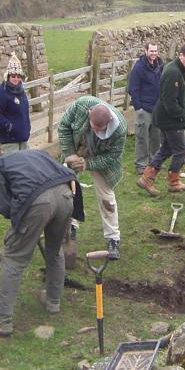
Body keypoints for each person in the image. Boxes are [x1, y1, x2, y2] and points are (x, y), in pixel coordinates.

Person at [0, 150, 84, 336]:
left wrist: (21, 224)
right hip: (66, 194)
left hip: (39, 202)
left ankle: (2, 318)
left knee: (14, 257)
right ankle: (53, 301)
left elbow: (1, 204)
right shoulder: (32, 154)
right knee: (54, 251)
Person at [58, 96, 126, 260]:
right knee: (67, 190)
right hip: (78, 148)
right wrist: (70, 155)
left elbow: (112, 156)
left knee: (106, 198)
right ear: (89, 114)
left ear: (109, 122)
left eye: (99, 130)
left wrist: (88, 164)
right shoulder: (80, 106)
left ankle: (112, 239)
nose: (95, 131)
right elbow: (63, 127)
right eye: (93, 127)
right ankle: (70, 228)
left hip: (101, 157)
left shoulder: (120, 129)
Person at [137, 41, 185, 196]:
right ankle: (174, 182)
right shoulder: (173, 72)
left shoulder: (179, 70)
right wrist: (182, 117)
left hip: (166, 118)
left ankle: (147, 178)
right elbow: (169, 102)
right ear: (181, 55)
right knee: (181, 151)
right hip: (170, 119)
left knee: (166, 149)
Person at [127, 41, 163, 175]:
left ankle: (154, 162)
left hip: (157, 108)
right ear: (145, 51)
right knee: (142, 138)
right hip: (144, 109)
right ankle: (141, 166)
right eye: (151, 51)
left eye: (155, 51)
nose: (154, 53)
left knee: (156, 137)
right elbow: (132, 88)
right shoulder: (139, 67)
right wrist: (139, 107)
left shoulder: (160, 64)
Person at [0, 53, 31, 154]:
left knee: (25, 167)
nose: (16, 79)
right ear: (8, 76)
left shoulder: (22, 92)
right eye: (13, 76)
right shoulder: (1, 93)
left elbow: (24, 112)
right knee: (13, 168)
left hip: (23, 138)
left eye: (18, 76)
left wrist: (27, 128)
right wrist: (8, 126)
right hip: (9, 141)